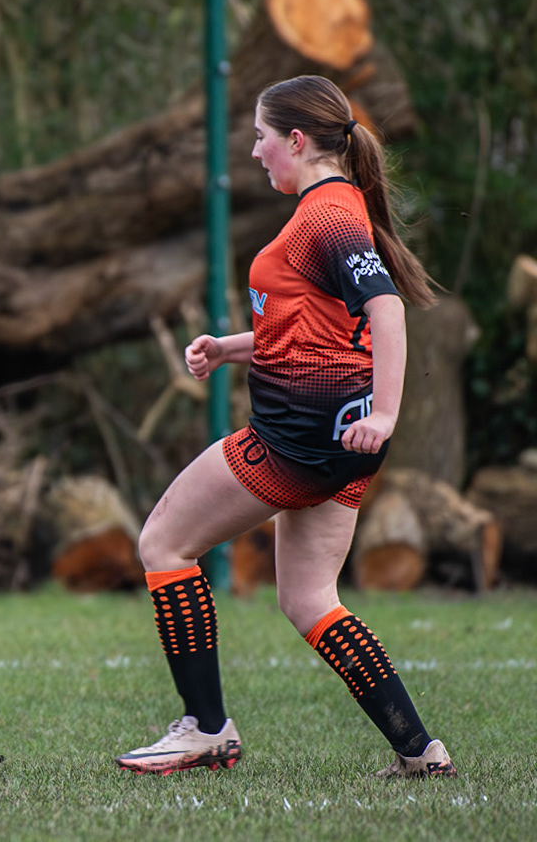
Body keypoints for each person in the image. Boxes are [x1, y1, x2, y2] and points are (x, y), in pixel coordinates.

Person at [115, 75, 456, 779]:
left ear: (296, 141)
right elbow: (316, 327)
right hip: (340, 445)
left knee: (163, 543)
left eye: (261, 137)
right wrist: (229, 347)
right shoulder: (333, 208)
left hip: (297, 442)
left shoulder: (328, 214)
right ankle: (419, 750)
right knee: (309, 600)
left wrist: (387, 413)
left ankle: (206, 728)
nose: (253, 151)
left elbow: (386, 310)